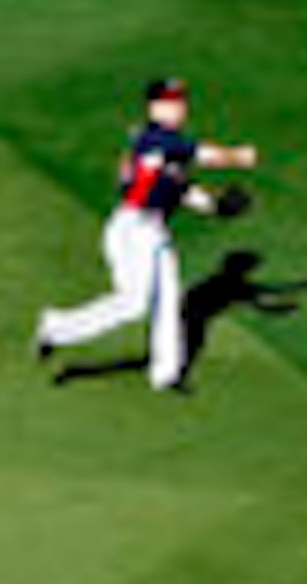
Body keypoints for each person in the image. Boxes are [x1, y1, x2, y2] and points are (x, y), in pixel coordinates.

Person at [31, 77, 261, 393]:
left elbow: (180, 190)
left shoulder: (165, 148)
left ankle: (166, 373)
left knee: (168, 299)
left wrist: (216, 207)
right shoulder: (156, 139)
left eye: (179, 101)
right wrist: (239, 156)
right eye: (169, 102)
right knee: (133, 303)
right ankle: (56, 327)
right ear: (153, 107)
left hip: (152, 232)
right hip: (134, 230)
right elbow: (206, 155)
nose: (177, 107)